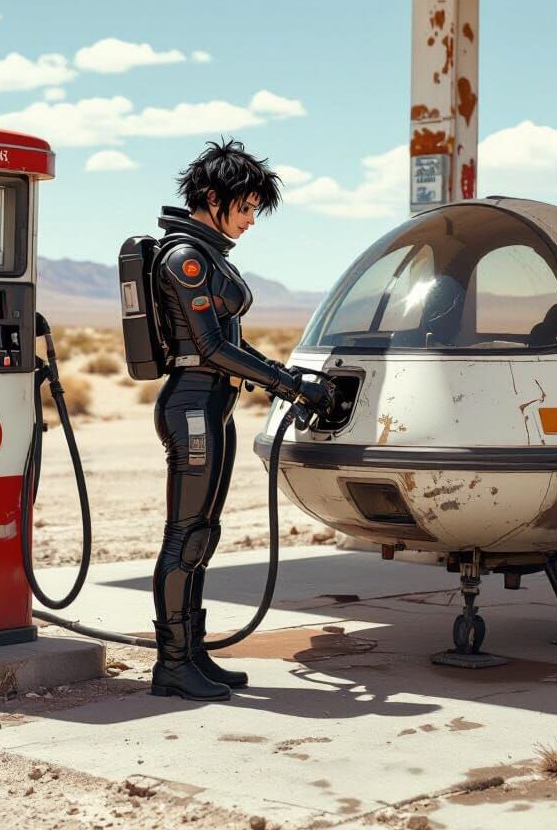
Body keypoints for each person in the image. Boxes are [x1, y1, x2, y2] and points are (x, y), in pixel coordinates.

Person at [150, 137, 336, 702]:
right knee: (184, 538)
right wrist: (290, 383)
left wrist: (283, 378)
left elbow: (227, 343)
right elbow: (209, 346)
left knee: (202, 535)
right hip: (192, 407)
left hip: (213, 406)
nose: (252, 219)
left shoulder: (207, 256)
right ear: (213, 197)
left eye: (256, 208)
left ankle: (193, 656)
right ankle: (172, 665)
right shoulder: (184, 257)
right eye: (247, 206)